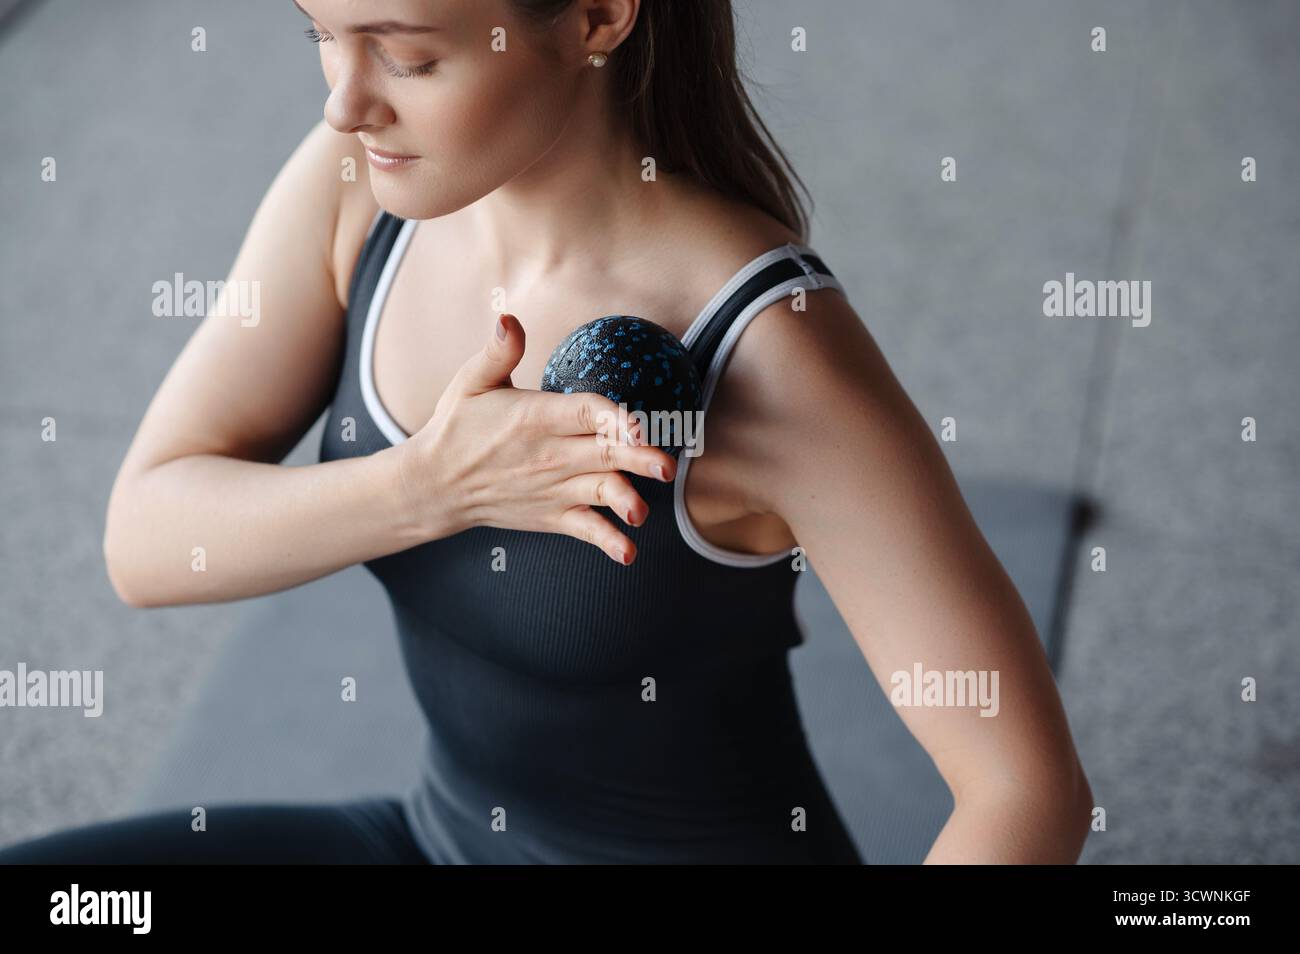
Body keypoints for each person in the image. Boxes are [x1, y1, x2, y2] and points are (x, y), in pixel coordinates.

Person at [0, 0, 1091, 864]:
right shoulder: (356, 192)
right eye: (323, 38)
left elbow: (1024, 791)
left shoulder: (772, 352)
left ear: (598, 18)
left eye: (408, 57)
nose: (346, 105)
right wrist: (427, 487)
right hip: (437, 841)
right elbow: (145, 541)